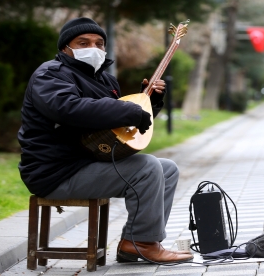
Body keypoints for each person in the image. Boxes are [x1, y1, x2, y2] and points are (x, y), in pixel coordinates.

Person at [17, 17, 193, 264]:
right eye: (83, 42)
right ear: (65, 48)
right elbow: (68, 108)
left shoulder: (106, 80)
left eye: (99, 43)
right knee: (148, 167)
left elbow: (117, 128)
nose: (94, 48)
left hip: (88, 161)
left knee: (167, 168)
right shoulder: (50, 74)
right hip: (55, 172)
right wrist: (127, 111)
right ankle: (141, 243)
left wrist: (148, 103)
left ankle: (139, 241)